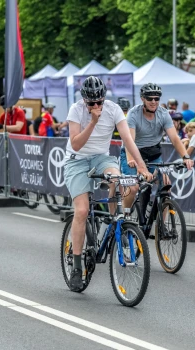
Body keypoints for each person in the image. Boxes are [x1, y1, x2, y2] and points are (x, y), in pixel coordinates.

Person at [64, 76, 153, 291]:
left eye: (99, 102)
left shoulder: (113, 109)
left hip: (102, 158)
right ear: (84, 100)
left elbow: (127, 139)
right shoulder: (76, 110)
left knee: (122, 180)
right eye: (91, 103)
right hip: (77, 161)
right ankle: (77, 265)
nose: (96, 106)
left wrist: (141, 167)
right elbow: (75, 144)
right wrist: (93, 121)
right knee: (82, 210)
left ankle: (118, 221)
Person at [120, 83, 193, 214]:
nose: (153, 102)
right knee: (133, 187)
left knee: (166, 187)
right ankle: (124, 217)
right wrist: (132, 160)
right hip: (133, 152)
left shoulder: (163, 114)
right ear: (142, 99)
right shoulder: (133, 113)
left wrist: (185, 157)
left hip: (153, 153)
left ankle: (161, 229)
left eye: (157, 99)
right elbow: (129, 141)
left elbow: (175, 138)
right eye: (150, 99)